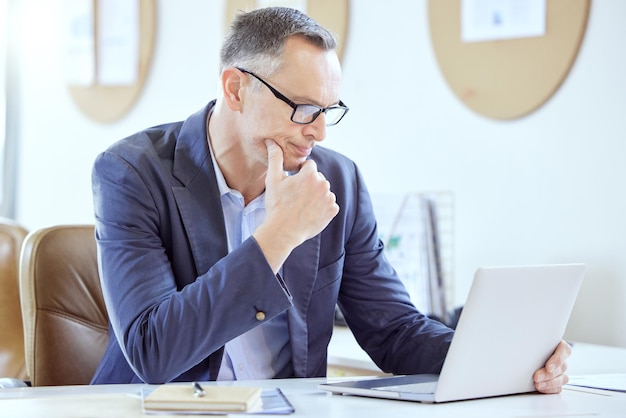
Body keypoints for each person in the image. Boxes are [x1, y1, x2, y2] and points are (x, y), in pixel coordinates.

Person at [90, 7, 570, 393]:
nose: (317, 132)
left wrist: (507, 357)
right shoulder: (132, 173)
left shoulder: (338, 179)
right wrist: (277, 235)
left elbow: (393, 330)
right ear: (235, 89)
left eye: (327, 111)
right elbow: (153, 351)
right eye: (302, 108)